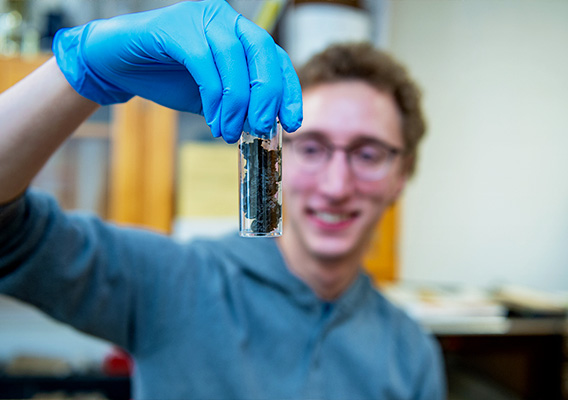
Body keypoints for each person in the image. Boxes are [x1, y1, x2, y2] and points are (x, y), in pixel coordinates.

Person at [0, 1, 445, 399]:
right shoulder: (172, 282)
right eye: (312, 147)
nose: (335, 185)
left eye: (368, 154)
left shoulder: (410, 352)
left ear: (401, 175)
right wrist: (77, 71)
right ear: (279, 154)